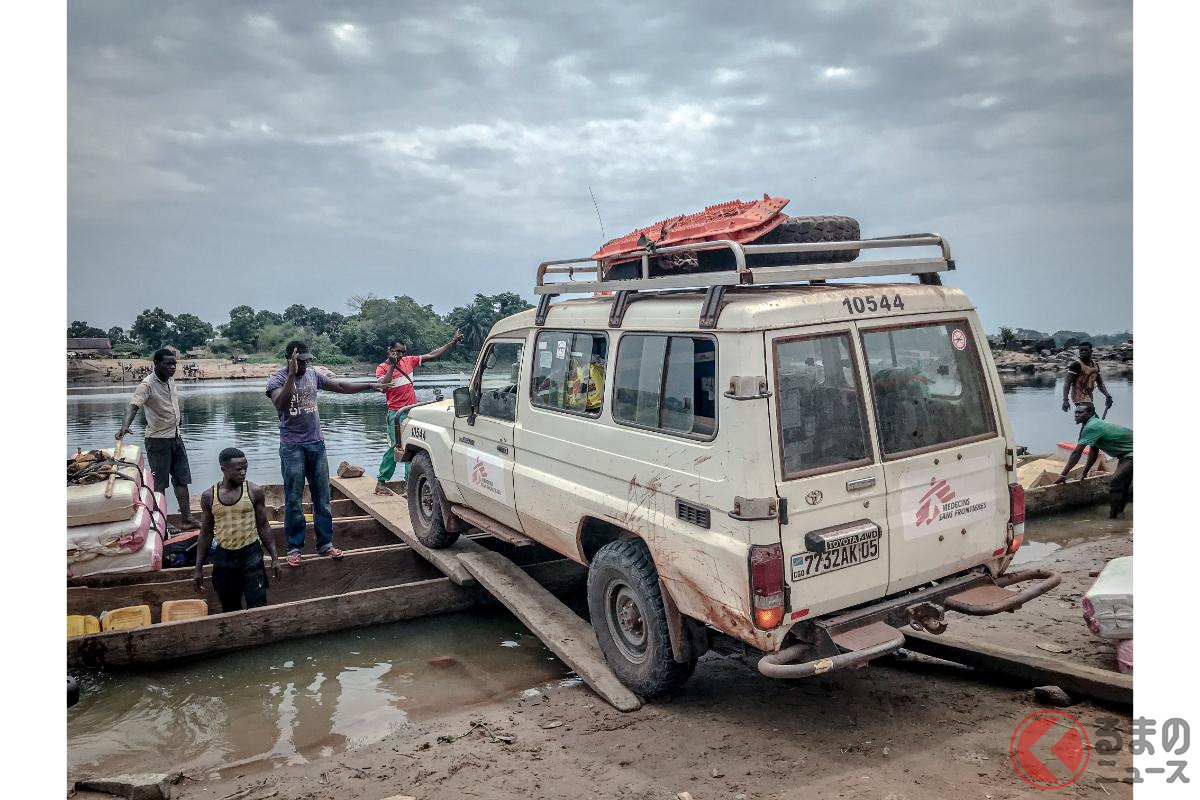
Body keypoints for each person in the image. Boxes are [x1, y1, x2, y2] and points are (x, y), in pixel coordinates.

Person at [267, 341, 380, 566]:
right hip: (292, 447)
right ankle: (294, 547)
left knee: (323, 498)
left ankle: (325, 543)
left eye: (307, 360)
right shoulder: (277, 380)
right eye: (301, 360)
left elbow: (338, 386)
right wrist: (291, 375)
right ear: (290, 358)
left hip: (316, 445)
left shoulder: (313, 376)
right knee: (293, 498)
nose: (305, 364)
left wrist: (369, 386)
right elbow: (281, 403)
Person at [116, 347, 200, 529]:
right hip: (158, 441)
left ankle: (187, 519)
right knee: (159, 484)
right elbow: (133, 406)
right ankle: (160, 521)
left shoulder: (170, 380)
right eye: (167, 364)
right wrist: (125, 426)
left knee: (182, 479)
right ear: (155, 364)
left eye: (174, 364)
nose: (172, 368)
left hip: (176, 437)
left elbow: (172, 404)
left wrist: (179, 419)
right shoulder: (147, 385)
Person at [373, 332, 463, 496]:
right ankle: (381, 482)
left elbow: (432, 355)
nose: (401, 354)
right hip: (396, 415)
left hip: (411, 412)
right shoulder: (382, 368)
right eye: (397, 351)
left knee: (411, 447)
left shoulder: (409, 361)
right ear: (390, 351)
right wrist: (393, 365)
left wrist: (451, 343)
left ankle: (410, 484)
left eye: (403, 352)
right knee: (394, 447)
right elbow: (382, 388)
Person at [194, 447, 280, 612]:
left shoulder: (254, 491)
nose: (243, 472)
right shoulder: (209, 496)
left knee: (258, 606)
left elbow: (263, 526)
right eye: (238, 469)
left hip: (251, 555)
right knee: (230, 607)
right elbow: (206, 533)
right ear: (224, 470)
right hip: (224, 557)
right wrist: (198, 569)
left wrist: (275, 557)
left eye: (245, 468)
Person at [1054, 402, 1133, 518]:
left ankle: (1113, 519)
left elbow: (1076, 453)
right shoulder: (1092, 425)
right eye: (1075, 412)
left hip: (1131, 455)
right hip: (1125, 455)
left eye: (1080, 412)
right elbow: (1093, 452)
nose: (1076, 415)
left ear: (1090, 413)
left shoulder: (1092, 426)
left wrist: (1063, 475)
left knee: (1115, 481)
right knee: (1124, 483)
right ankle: (1120, 513)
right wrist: (1085, 473)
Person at [1061, 342, 1113, 413]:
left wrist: (1108, 396)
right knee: (1092, 417)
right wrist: (1065, 400)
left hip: (1089, 397)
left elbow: (1100, 384)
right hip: (1078, 397)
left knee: (1089, 420)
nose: (1083, 352)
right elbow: (1067, 383)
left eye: (1086, 350)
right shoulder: (1076, 365)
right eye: (1081, 350)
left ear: (1091, 351)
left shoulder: (1095, 365)